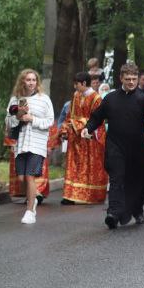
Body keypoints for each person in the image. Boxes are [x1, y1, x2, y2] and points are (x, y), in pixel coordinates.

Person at [85, 62, 144, 229]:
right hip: (115, 145)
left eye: (134, 79)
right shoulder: (110, 98)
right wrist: (87, 128)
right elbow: (97, 117)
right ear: (121, 78)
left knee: (139, 180)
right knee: (116, 178)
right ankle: (113, 213)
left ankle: (137, 209)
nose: (131, 82)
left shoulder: (142, 98)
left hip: (137, 147)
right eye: (128, 79)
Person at [6, 69, 54, 225]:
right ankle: (32, 201)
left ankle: (30, 210)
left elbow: (49, 121)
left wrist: (32, 118)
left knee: (30, 176)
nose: (31, 83)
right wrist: (19, 116)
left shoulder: (44, 99)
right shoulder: (15, 99)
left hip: (37, 143)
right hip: (21, 143)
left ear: (37, 82)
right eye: (28, 80)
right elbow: (8, 121)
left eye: (34, 80)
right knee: (21, 178)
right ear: (22, 81)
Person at [62, 71, 107, 205]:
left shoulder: (96, 98)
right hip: (76, 138)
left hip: (90, 138)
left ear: (84, 83)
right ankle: (70, 195)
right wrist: (66, 127)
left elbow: (97, 120)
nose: (75, 87)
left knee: (88, 168)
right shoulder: (76, 95)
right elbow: (71, 115)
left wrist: (78, 124)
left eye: (77, 84)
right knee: (74, 166)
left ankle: (90, 195)